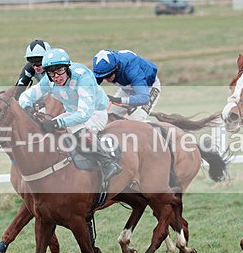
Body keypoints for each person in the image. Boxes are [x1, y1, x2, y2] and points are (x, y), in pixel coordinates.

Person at [19, 47, 121, 183]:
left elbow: (84, 114)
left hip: (95, 113)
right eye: (52, 74)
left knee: (75, 128)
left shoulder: (83, 76)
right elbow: (25, 97)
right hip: (72, 113)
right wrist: (28, 109)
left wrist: (57, 123)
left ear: (67, 68)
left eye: (60, 71)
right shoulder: (49, 79)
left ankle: (108, 161)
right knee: (43, 129)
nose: (57, 77)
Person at [91, 49, 160, 121]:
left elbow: (144, 98)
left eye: (108, 75)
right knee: (107, 116)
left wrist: (118, 100)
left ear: (116, 67)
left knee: (135, 120)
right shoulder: (100, 69)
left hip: (147, 88)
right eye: (103, 77)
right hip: (127, 88)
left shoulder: (132, 70)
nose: (107, 80)